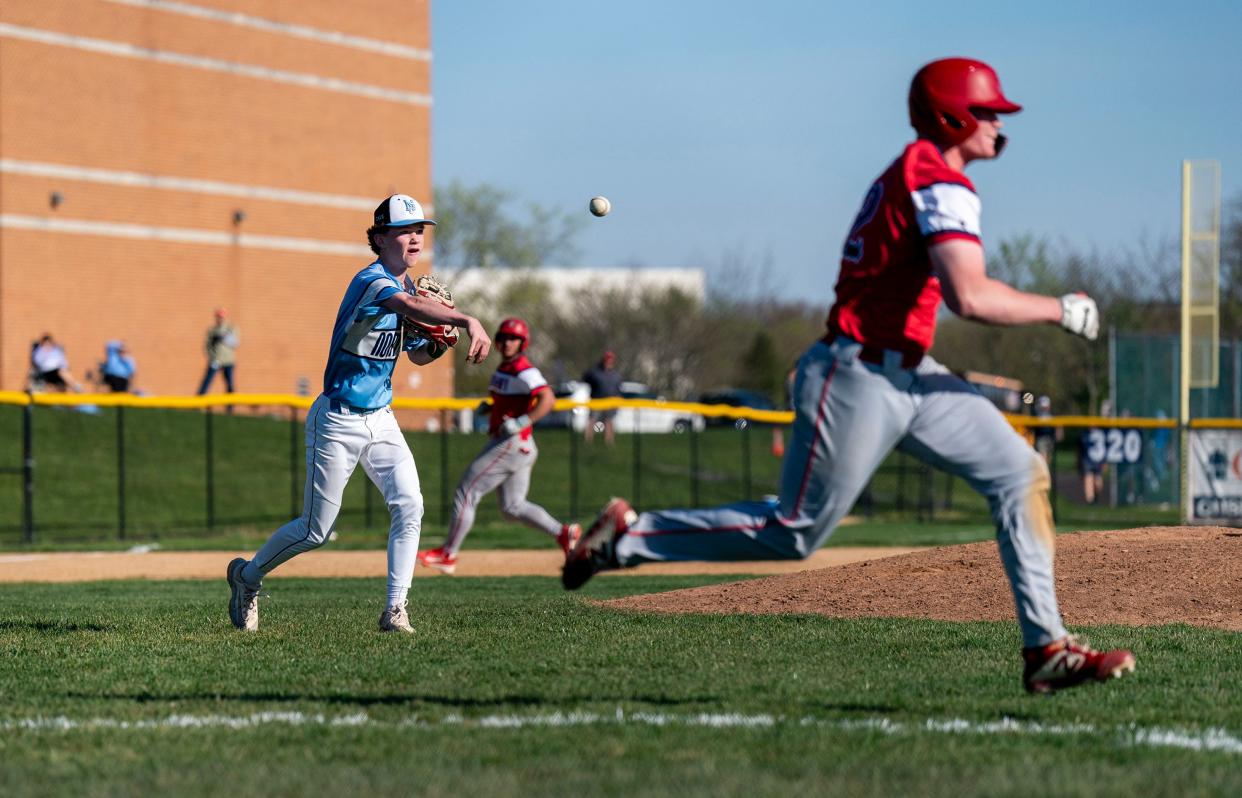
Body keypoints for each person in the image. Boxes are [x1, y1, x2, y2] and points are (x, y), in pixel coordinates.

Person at [562, 58, 1135, 694]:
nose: (1000, 124)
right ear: (952, 115)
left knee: (1019, 471)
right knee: (796, 534)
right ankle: (630, 539)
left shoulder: (921, 171)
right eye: (990, 111)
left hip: (912, 374)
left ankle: (1046, 649)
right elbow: (968, 295)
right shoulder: (937, 175)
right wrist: (1060, 309)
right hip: (857, 374)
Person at [226, 194, 491, 634]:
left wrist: (438, 342)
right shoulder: (372, 282)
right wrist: (466, 321)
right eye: (406, 230)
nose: (415, 238)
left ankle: (394, 610)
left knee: (410, 505)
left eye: (419, 230)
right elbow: (407, 308)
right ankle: (246, 578)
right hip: (337, 419)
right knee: (315, 531)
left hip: (380, 417)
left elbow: (418, 356)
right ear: (381, 237)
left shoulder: (408, 290)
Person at [418, 318, 582, 574]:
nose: (507, 342)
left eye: (513, 338)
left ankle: (448, 554)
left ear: (522, 342)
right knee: (512, 507)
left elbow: (547, 399)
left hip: (511, 443)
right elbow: (513, 399)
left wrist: (523, 420)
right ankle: (562, 533)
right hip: (519, 445)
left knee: (466, 492)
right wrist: (492, 408)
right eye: (503, 337)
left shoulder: (522, 367)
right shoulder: (506, 368)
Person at [582, 350, 622, 445]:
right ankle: (587, 441)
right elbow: (585, 378)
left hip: (610, 402)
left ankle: (609, 442)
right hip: (597, 400)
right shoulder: (595, 372)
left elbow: (618, 388)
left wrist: (617, 399)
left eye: (610, 359)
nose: (609, 361)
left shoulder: (615, 375)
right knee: (592, 421)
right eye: (607, 359)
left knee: (609, 422)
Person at [197, 308, 239, 395]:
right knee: (207, 381)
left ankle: (230, 405)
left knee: (230, 384)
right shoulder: (212, 330)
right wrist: (211, 357)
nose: (220, 319)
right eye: (219, 317)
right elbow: (207, 346)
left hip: (228, 360)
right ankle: (199, 403)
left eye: (222, 317)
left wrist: (224, 337)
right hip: (216, 360)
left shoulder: (231, 328)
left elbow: (235, 343)